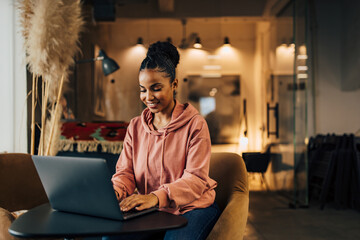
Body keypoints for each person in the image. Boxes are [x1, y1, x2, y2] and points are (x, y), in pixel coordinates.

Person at [104, 41, 220, 240]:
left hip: (192, 207)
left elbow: (196, 179)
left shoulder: (196, 125)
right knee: (109, 238)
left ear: (174, 85)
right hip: (153, 209)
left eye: (156, 88)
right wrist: (116, 192)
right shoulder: (135, 127)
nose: (148, 97)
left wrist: (155, 198)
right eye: (143, 89)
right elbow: (126, 173)